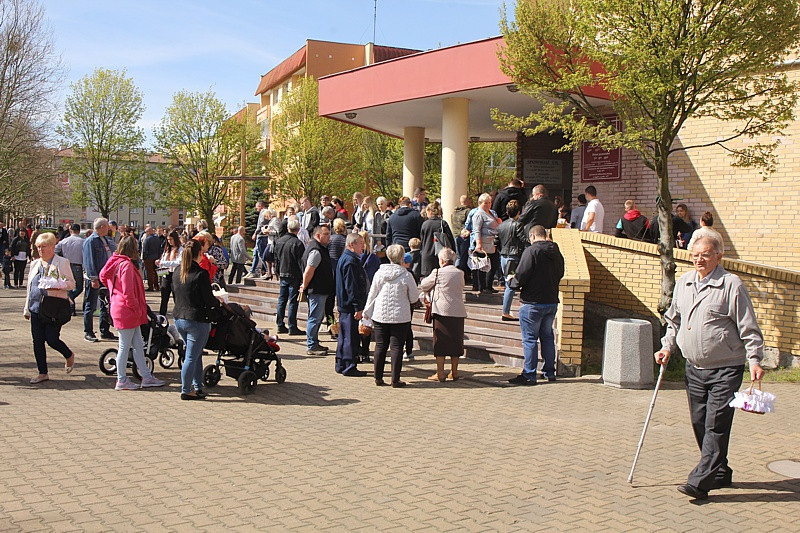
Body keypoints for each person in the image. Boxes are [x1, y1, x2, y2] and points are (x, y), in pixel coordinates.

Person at [655, 235, 764, 500]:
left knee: (716, 423)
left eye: (705, 255)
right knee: (699, 421)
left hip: (726, 368)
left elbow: (747, 326)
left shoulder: (731, 285)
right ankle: (720, 471)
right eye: (694, 255)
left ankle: (700, 481)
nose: (699, 260)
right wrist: (667, 346)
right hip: (694, 368)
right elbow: (674, 321)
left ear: (718, 256)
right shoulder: (684, 282)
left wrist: (755, 359)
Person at [99, 236, 166, 390]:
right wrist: (136, 308)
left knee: (137, 344)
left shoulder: (114, 262)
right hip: (127, 310)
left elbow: (105, 278)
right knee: (125, 346)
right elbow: (129, 292)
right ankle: (121, 379)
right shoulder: (126, 265)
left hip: (120, 307)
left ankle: (146, 376)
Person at [508, 225, 565, 385]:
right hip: (551, 301)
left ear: (532, 236)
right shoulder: (556, 251)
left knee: (530, 339)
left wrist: (512, 282)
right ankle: (549, 372)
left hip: (532, 302)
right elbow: (561, 272)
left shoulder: (531, 251)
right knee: (547, 337)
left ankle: (529, 374)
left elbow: (521, 275)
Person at [363, 244, 420, 387]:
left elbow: (372, 294)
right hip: (400, 316)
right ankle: (395, 379)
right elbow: (414, 297)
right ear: (402, 257)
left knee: (380, 345)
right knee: (396, 347)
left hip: (381, 314)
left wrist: (367, 313)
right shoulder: (406, 275)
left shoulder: (379, 273)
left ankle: (378, 377)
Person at [172, 239, 222, 401]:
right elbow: (208, 299)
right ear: (200, 254)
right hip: (197, 320)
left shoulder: (178, 271)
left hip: (180, 317)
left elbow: (175, 295)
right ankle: (186, 389)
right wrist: (219, 302)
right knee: (192, 356)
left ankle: (197, 385)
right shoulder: (201, 274)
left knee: (195, 353)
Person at [23, 232, 76, 384]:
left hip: (54, 308)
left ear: (52, 247)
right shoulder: (35, 264)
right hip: (35, 308)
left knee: (52, 339)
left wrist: (59, 285)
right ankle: (42, 372)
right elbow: (30, 288)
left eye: (44, 247)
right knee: (37, 341)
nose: (41, 250)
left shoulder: (61, 262)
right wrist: (27, 309)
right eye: (38, 247)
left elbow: (71, 283)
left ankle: (68, 354)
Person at [419, 248, 467, 382]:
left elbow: (424, 285)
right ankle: (454, 372)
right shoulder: (460, 273)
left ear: (441, 260)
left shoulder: (437, 272)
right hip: (458, 311)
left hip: (441, 311)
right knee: (456, 342)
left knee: (441, 342)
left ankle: (440, 373)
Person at [334, 233, 369, 377]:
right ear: (352, 245)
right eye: (360, 243)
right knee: (349, 336)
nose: (363, 246)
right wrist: (357, 307)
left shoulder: (347, 259)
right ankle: (349, 365)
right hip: (349, 305)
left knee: (344, 335)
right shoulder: (350, 261)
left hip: (345, 304)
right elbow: (351, 286)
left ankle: (341, 363)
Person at [300, 225, 334, 356]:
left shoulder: (319, 248)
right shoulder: (316, 250)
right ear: (318, 235)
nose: (329, 237)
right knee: (315, 317)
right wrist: (305, 285)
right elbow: (309, 270)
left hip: (320, 289)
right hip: (317, 290)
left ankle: (314, 342)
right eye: (326, 234)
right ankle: (312, 345)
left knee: (317, 317)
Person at [82, 217, 117, 342]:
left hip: (106, 278)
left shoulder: (105, 240)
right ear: (102, 227)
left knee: (105, 305)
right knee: (90, 305)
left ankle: (105, 330)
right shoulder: (91, 241)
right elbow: (89, 261)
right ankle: (88, 331)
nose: (109, 228)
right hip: (95, 278)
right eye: (107, 226)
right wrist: (93, 278)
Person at [274, 217, 305, 336]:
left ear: (288, 228)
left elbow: (276, 258)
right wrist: (303, 277)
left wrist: (276, 271)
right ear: (298, 229)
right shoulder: (297, 243)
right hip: (294, 275)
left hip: (282, 273)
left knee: (282, 300)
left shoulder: (279, 241)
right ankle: (292, 326)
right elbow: (301, 262)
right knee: (292, 301)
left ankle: (280, 324)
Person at [497, 200, 527, 321]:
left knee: (507, 282)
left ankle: (506, 311)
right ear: (519, 212)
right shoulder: (518, 224)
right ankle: (505, 312)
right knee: (510, 284)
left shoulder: (501, 225)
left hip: (504, 256)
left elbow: (496, 241)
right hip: (513, 257)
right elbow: (522, 238)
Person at [471, 192, 501, 294]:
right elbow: (477, 230)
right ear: (480, 203)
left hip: (493, 242)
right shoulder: (478, 214)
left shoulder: (492, 212)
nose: (488, 205)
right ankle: (482, 287)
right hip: (483, 242)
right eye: (485, 203)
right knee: (483, 265)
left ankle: (489, 285)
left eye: (489, 202)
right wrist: (479, 244)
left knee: (494, 264)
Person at [55, 224, 85, 315]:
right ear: (79, 231)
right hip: (78, 266)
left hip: (66, 265)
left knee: (68, 286)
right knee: (79, 287)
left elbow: (55, 251)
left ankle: (69, 301)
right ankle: (71, 304)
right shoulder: (83, 242)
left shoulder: (64, 241)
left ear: (70, 231)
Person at [419, 201, 456, 277]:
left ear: (429, 211)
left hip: (427, 253)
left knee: (429, 279)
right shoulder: (443, 223)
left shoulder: (425, 224)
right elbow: (451, 240)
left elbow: (422, 240)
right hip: (441, 255)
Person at [157, 230, 183, 316]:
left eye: (171, 239)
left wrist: (165, 263)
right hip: (165, 274)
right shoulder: (167, 249)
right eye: (168, 239)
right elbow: (163, 261)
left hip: (175, 275)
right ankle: (161, 316)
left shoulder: (180, 250)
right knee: (164, 298)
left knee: (176, 297)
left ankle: (178, 315)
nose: (169, 241)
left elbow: (178, 262)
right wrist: (159, 262)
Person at [141, 225, 162, 291]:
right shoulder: (157, 239)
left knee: (149, 273)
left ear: (148, 232)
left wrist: (144, 258)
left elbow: (144, 250)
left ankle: (150, 286)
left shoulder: (147, 239)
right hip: (156, 257)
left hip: (148, 258)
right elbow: (159, 248)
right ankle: (156, 286)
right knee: (156, 272)